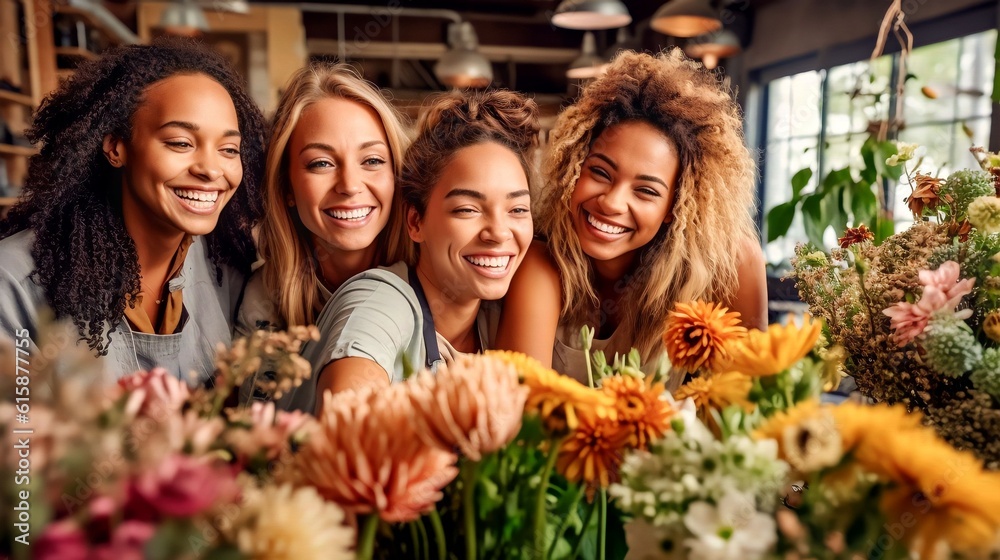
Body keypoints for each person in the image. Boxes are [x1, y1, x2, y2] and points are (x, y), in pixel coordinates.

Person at [495, 49, 767, 388]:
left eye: (646, 191)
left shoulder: (731, 265)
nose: (612, 202)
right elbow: (520, 410)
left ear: (676, 207)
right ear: (574, 168)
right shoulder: (542, 261)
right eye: (600, 172)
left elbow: (752, 412)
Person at [0, 39, 266, 383]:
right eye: (181, 143)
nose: (212, 170)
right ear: (116, 147)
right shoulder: (14, 284)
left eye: (229, 149)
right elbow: (17, 434)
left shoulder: (222, 268)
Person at [277, 90, 538, 414]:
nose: (498, 232)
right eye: (468, 209)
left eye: (517, 209)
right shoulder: (380, 300)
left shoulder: (499, 319)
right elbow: (348, 416)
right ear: (416, 222)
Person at [236, 63, 412, 337]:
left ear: (396, 175)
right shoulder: (262, 299)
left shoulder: (434, 275)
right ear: (287, 187)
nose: (350, 186)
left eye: (373, 160)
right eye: (321, 164)